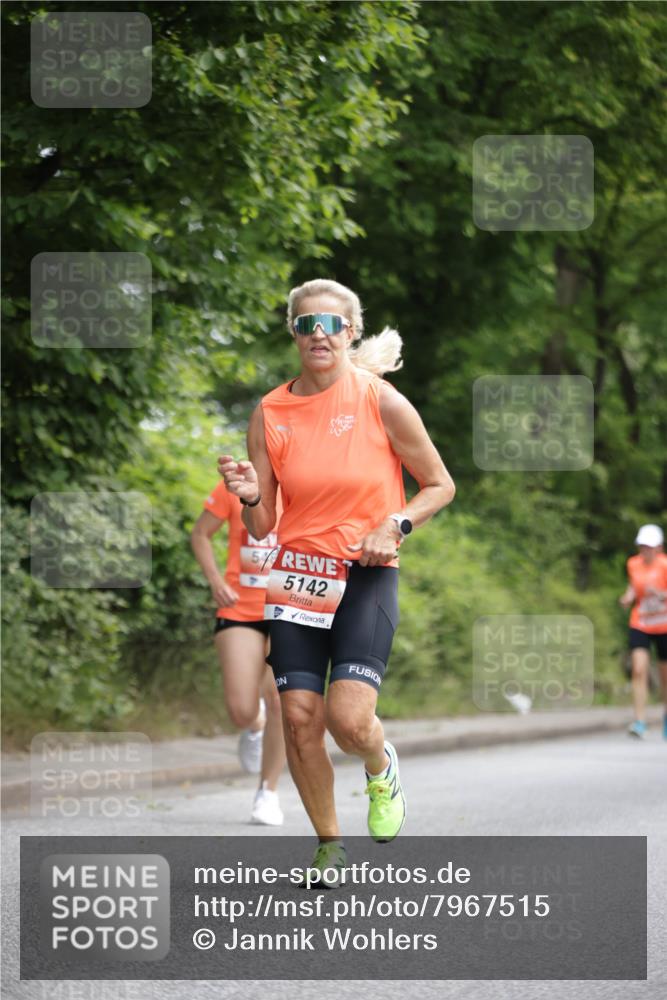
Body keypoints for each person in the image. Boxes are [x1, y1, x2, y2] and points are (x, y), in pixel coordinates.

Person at [218, 278, 455, 882]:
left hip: (366, 572)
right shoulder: (270, 411)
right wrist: (248, 496)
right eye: (306, 324)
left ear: (350, 332)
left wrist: (394, 526)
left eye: (331, 324)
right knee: (298, 717)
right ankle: (329, 844)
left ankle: (380, 765)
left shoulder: (382, 401)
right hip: (297, 574)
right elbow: (264, 519)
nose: (317, 334)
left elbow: (439, 485)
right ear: (293, 333)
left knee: (349, 723)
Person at [191, 481, 287, 824]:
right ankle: (254, 724)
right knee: (241, 711)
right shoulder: (233, 488)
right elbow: (200, 534)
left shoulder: (308, 486)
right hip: (240, 609)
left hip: (291, 609)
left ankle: (268, 792)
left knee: (280, 698)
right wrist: (216, 580)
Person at [618, 523, 667, 740]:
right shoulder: (633, 564)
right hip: (641, 622)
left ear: (659, 547)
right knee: (639, 669)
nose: (645, 550)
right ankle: (639, 721)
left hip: (664, 624)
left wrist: (661, 595)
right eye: (642, 546)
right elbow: (633, 586)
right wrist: (628, 597)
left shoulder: (665, 565)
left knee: (665, 676)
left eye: (649, 546)